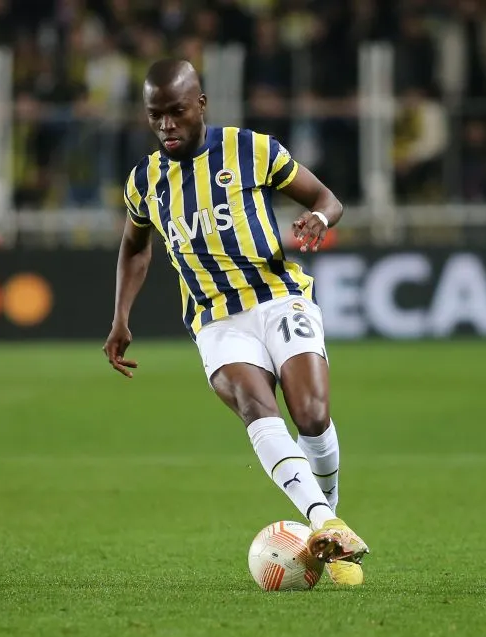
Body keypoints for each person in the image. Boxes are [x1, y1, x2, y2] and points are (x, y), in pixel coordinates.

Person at [103, 59, 369, 586]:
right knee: (256, 404)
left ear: (200, 104)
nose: (166, 126)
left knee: (312, 415)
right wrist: (120, 318)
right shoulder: (145, 182)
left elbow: (326, 198)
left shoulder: (252, 150)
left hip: (278, 298)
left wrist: (319, 218)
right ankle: (325, 521)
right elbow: (134, 250)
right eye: (155, 116)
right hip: (215, 322)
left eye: (176, 112)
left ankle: (326, 519)